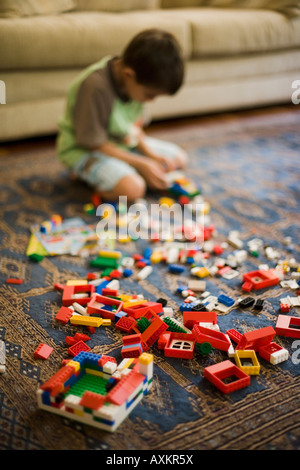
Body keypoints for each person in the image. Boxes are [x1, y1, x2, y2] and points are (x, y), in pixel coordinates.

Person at [57, 28, 188, 202]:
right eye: (150, 95)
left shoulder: (134, 84)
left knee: (179, 159)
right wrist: (141, 164)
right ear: (129, 75)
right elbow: (92, 143)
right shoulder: (95, 87)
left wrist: (151, 155)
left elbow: (134, 129)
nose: (151, 101)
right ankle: (85, 176)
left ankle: (127, 173)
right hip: (84, 150)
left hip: (121, 144)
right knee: (133, 189)